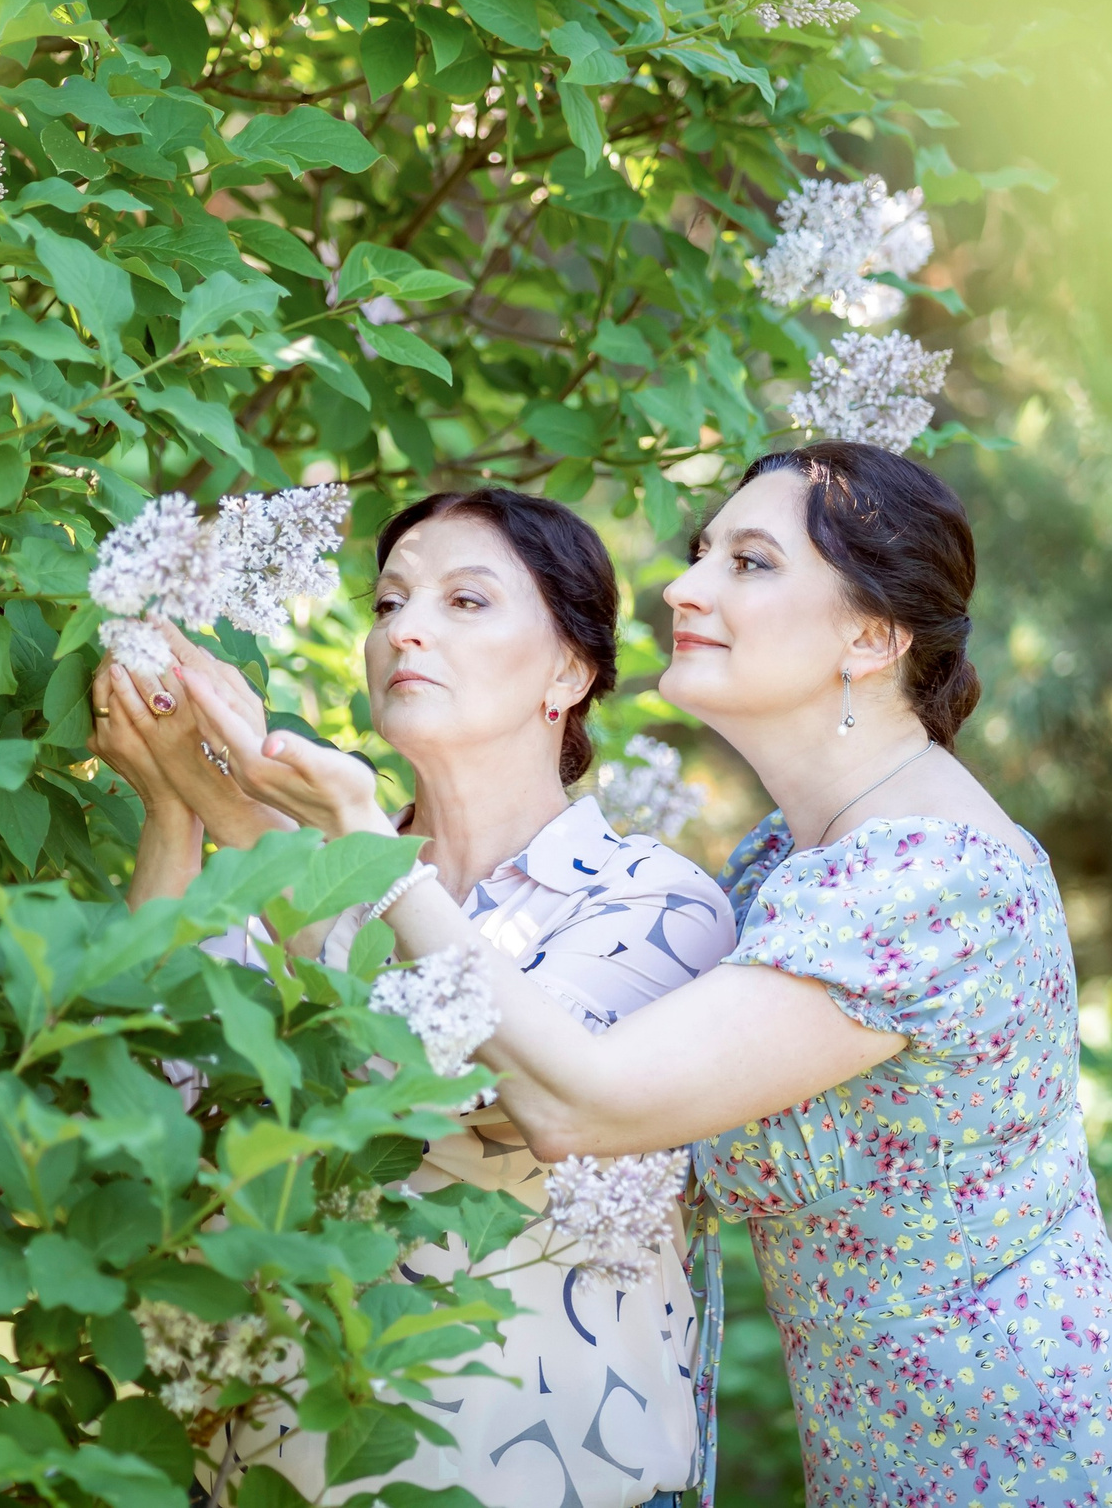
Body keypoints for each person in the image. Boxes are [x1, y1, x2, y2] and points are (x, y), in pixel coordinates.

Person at [178, 444, 1112, 1507]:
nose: (685, 585)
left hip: (1063, 1451)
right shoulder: (787, 863)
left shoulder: (929, 878)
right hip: (897, 1453)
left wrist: (362, 839)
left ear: (872, 634)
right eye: (700, 552)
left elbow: (572, 1097)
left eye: (748, 562)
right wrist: (230, 813)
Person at [88, 486, 734, 1508]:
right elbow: (132, 1129)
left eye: (465, 601)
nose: (407, 629)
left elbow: (455, 1087)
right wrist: (175, 812)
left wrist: (260, 825)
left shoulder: (655, 903)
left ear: (568, 669)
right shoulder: (285, 869)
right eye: (388, 603)